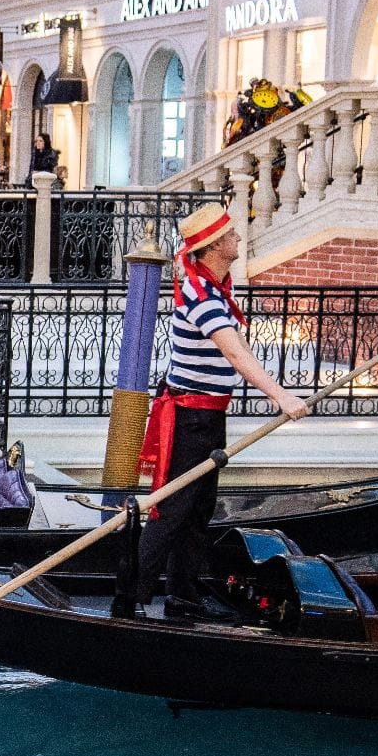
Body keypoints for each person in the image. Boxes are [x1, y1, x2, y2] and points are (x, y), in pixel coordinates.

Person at [132, 202, 310, 623]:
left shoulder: (213, 286)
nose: (239, 239)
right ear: (214, 245)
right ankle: (130, 598)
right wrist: (279, 395)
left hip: (207, 416)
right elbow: (232, 349)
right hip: (190, 416)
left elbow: (235, 349)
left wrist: (273, 391)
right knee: (170, 510)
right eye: (231, 235)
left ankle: (183, 596)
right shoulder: (201, 291)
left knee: (198, 511)